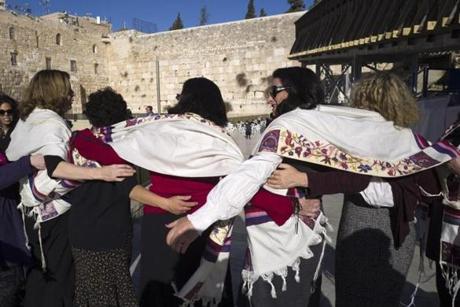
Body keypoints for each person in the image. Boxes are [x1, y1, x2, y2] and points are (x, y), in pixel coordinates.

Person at [166, 70, 458, 307]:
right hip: (340, 230)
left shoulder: (396, 140)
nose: (269, 98)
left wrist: (305, 182)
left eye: (275, 90)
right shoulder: (322, 131)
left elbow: (377, 185)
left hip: (367, 235)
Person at [43, 87, 198, 307]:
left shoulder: (77, 141)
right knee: (114, 288)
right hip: (111, 230)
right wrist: (166, 203)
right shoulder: (116, 149)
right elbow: (128, 188)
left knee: (92, 289)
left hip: (80, 229)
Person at [5, 70, 134, 307]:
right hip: (53, 215)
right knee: (60, 279)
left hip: (32, 213)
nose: (73, 95)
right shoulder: (53, 124)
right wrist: (100, 173)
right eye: (68, 89)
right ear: (56, 92)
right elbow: (56, 167)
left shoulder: (27, 119)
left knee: (40, 276)